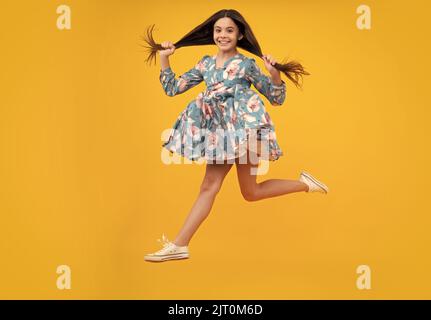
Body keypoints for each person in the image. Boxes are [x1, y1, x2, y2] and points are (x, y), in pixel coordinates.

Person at [141, 9, 329, 262]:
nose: (223, 35)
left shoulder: (246, 65)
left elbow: (276, 98)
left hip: (246, 129)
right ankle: (305, 184)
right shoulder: (205, 63)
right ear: (212, 34)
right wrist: (164, 59)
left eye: (229, 30)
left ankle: (179, 244)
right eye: (218, 30)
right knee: (241, 191)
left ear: (240, 34)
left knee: (225, 188)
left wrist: (274, 76)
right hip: (220, 132)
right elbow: (173, 88)